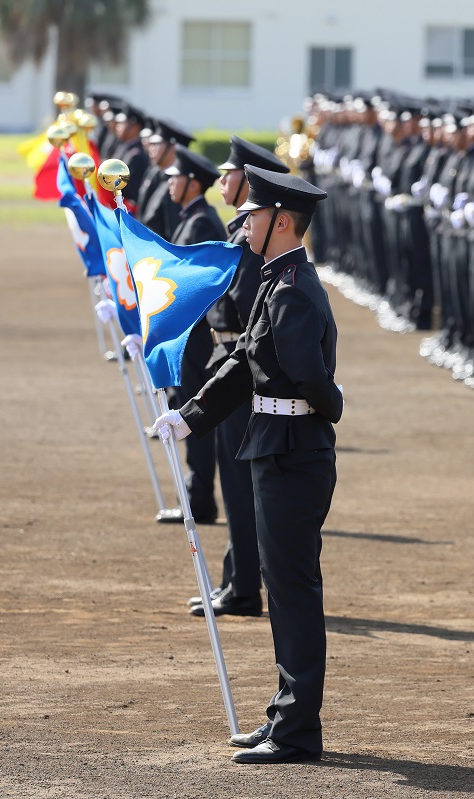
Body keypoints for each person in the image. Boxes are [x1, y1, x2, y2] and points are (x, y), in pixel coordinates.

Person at [155, 165, 342, 764]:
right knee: (285, 592)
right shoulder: (275, 280)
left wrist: (333, 405)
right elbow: (241, 363)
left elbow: (310, 378)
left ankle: (296, 732)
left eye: (254, 216)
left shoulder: (292, 289)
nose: (244, 225)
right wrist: (191, 415)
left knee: (292, 591)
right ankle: (284, 718)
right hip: (277, 446)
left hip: (294, 452)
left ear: (281, 222)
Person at [188, 136, 290, 619]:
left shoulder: (251, 238)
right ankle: (237, 577)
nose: (222, 181)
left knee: (239, 486)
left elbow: (242, 308)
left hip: (237, 362)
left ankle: (245, 586)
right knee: (234, 486)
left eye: (229, 174)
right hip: (226, 355)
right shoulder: (239, 231)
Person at [164, 146, 225, 525]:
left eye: (176, 177)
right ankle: (195, 492)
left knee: (195, 417)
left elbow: (198, 284)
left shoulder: (201, 221)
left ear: (193, 183)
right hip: (189, 333)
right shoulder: (192, 217)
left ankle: (201, 499)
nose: (170, 182)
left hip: (197, 336)